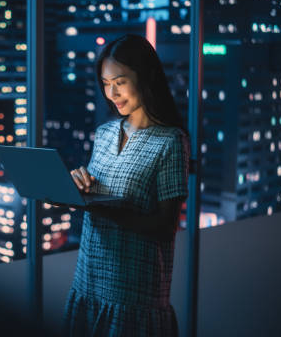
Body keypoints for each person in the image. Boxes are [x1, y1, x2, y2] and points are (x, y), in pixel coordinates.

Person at [61, 34, 190, 336]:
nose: (112, 93)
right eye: (106, 84)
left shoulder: (171, 141)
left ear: (145, 77)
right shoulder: (104, 133)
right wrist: (78, 186)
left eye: (119, 81)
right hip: (88, 279)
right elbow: (97, 194)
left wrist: (106, 210)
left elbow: (165, 226)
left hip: (132, 291)